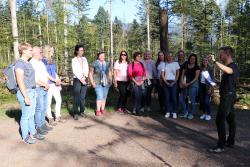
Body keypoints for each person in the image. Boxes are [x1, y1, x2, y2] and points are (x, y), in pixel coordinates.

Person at [208, 46, 239, 153]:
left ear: (228, 54)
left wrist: (215, 61)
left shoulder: (233, 66)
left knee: (219, 120)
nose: (220, 56)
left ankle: (220, 145)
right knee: (231, 120)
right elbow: (228, 82)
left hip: (228, 96)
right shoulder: (228, 67)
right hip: (229, 95)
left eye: (221, 54)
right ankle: (230, 141)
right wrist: (216, 81)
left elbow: (230, 71)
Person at [15, 43, 44, 144]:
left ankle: (33, 132)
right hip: (25, 92)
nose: (32, 52)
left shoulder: (28, 63)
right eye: (30, 50)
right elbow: (20, 81)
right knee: (26, 116)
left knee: (31, 115)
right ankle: (25, 136)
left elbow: (31, 79)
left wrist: (34, 91)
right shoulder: (19, 63)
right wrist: (26, 96)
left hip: (32, 91)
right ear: (23, 51)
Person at [30, 47, 58, 135]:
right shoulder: (32, 63)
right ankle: (38, 126)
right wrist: (44, 84)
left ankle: (42, 124)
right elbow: (34, 79)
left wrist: (53, 80)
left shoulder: (41, 62)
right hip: (38, 88)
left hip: (45, 87)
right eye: (40, 52)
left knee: (44, 107)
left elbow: (46, 74)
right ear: (34, 53)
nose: (42, 53)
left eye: (42, 52)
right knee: (39, 108)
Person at [42, 45, 65, 125]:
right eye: (52, 50)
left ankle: (58, 116)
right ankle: (50, 118)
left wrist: (58, 79)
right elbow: (45, 74)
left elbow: (54, 72)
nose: (53, 52)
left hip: (55, 83)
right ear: (47, 51)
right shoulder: (43, 61)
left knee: (59, 100)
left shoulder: (52, 60)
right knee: (48, 101)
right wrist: (54, 80)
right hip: (48, 84)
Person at [89, 52, 112, 116]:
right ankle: (98, 110)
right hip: (97, 82)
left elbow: (109, 72)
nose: (102, 56)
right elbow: (90, 74)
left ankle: (102, 109)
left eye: (103, 55)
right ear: (98, 56)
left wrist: (111, 80)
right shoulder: (94, 63)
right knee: (99, 96)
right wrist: (92, 82)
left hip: (106, 82)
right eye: (101, 55)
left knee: (104, 96)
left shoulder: (107, 63)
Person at [179, 53, 201, 120]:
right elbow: (182, 74)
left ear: (195, 60)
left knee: (192, 100)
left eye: (194, 59)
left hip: (193, 84)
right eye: (191, 58)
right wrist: (181, 82)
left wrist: (189, 84)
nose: (192, 60)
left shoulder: (197, 67)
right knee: (182, 98)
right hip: (185, 83)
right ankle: (185, 112)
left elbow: (196, 78)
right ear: (189, 59)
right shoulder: (186, 64)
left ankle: (191, 113)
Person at [71, 45, 89, 120]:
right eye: (80, 50)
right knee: (76, 96)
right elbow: (74, 70)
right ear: (77, 51)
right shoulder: (74, 60)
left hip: (84, 78)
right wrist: (80, 78)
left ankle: (82, 111)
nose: (82, 52)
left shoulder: (84, 59)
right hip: (77, 79)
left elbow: (86, 68)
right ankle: (75, 112)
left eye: (83, 50)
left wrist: (85, 76)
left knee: (82, 97)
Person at [162, 52, 180, 119]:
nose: (169, 57)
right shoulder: (164, 64)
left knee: (174, 98)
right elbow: (162, 74)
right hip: (166, 82)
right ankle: (167, 112)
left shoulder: (176, 63)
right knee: (167, 98)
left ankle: (174, 112)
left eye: (171, 56)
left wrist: (174, 82)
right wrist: (165, 82)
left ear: (172, 57)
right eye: (168, 56)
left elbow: (178, 74)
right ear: (167, 57)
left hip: (174, 82)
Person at [199, 56, 216, 121]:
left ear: (207, 61)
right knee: (202, 101)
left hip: (208, 87)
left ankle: (208, 114)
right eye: (203, 60)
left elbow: (213, 79)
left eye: (206, 60)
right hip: (201, 86)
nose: (204, 61)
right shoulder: (201, 68)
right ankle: (204, 113)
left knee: (206, 101)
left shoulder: (210, 68)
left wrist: (210, 88)